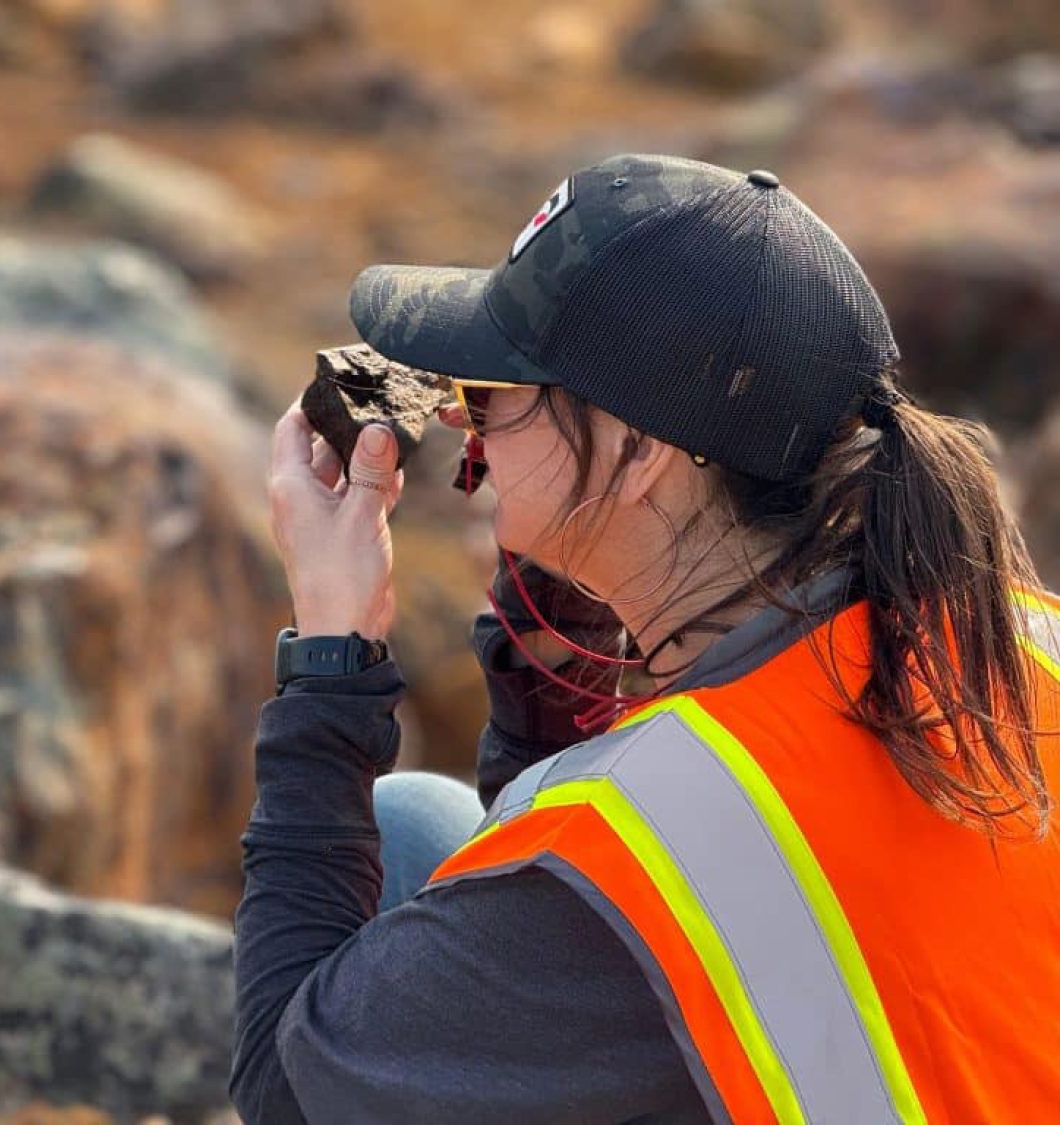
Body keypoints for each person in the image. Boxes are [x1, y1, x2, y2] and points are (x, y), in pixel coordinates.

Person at [232, 153, 1060, 1124]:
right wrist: (567, 595)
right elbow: (554, 915)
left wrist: (332, 651)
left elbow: (290, 1089)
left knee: (399, 835)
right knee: (421, 826)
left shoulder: (646, 845)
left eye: (496, 388)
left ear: (635, 453)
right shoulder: (1011, 632)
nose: (461, 414)